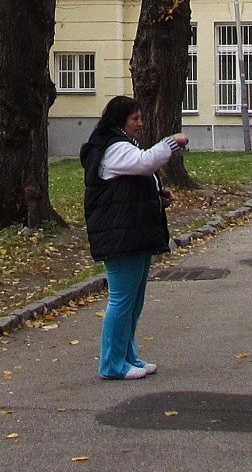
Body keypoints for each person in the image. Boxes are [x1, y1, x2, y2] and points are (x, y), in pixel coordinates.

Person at [80, 94, 186, 380]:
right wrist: (171, 142)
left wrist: (156, 199)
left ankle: (128, 357)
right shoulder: (113, 148)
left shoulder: (120, 146)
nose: (140, 123)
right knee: (122, 300)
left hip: (132, 233)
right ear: (120, 122)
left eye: (140, 118)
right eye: (134, 119)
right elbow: (145, 163)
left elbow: (128, 187)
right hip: (121, 237)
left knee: (133, 301)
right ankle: (112, 364)